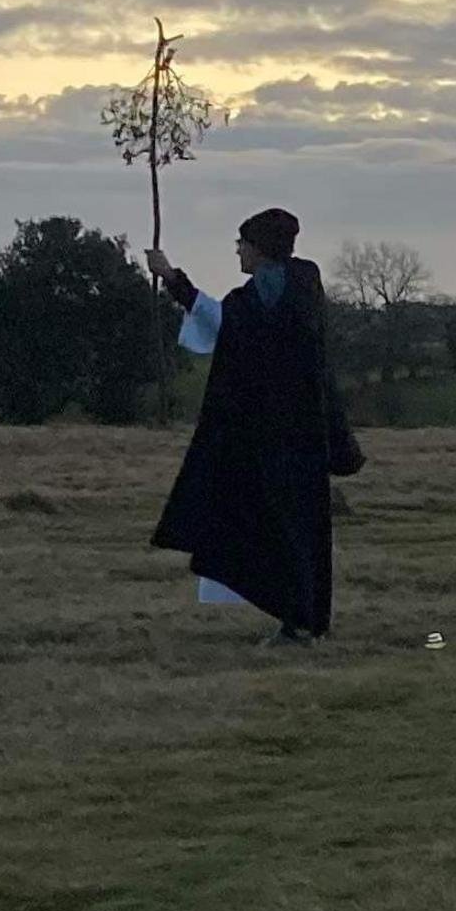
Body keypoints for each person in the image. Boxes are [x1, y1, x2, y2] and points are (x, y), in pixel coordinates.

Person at [146, 208, 364, 645]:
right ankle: (298, 620)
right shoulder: (298, 285)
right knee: (289, 528)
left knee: (281, 527)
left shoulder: (265, 299)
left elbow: (226, 326)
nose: (238, 251)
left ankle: (299, 622)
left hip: (278, 437)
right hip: (296, 435)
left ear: (260, 248)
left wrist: (172, 279)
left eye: (242, 243)